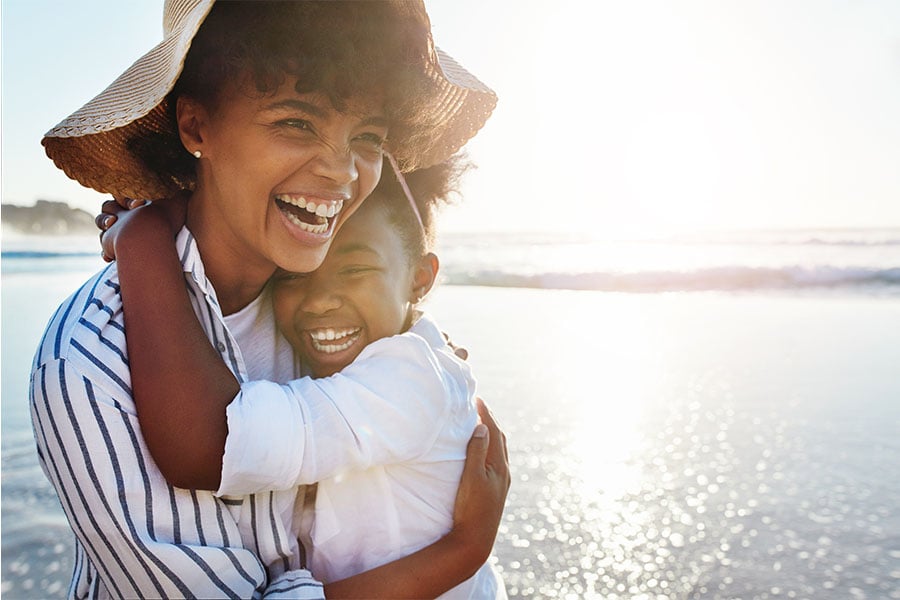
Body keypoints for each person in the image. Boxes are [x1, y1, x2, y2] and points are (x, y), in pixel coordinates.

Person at [30, 1, 506, 598]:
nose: (340, 170)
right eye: (296, 122)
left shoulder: (321, 309)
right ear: (196, 126)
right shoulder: (87, 363)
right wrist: (461, 553)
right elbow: (209, 446)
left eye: (366, 136)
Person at [100, 155, 507, 598]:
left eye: (355, 270)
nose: (319, 303)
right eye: (294, 277)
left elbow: (210, 445)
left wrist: (144, 238)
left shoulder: (410, 379)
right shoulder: (403, 361)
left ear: (420, 278)